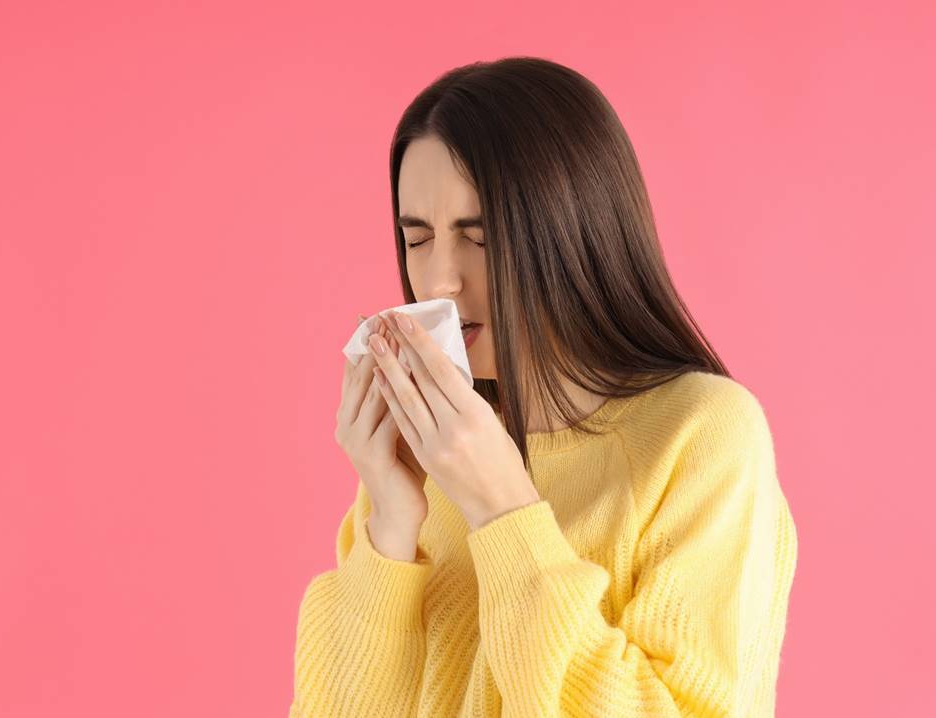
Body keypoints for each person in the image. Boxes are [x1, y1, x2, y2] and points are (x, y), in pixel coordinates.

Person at [290, 56, 798, 717]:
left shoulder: (702, 436)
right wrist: (389, 523)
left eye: (479, 238)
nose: (440, 279)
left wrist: (502, 509)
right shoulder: (426, 453)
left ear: (573, 233)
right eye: (418, 239)